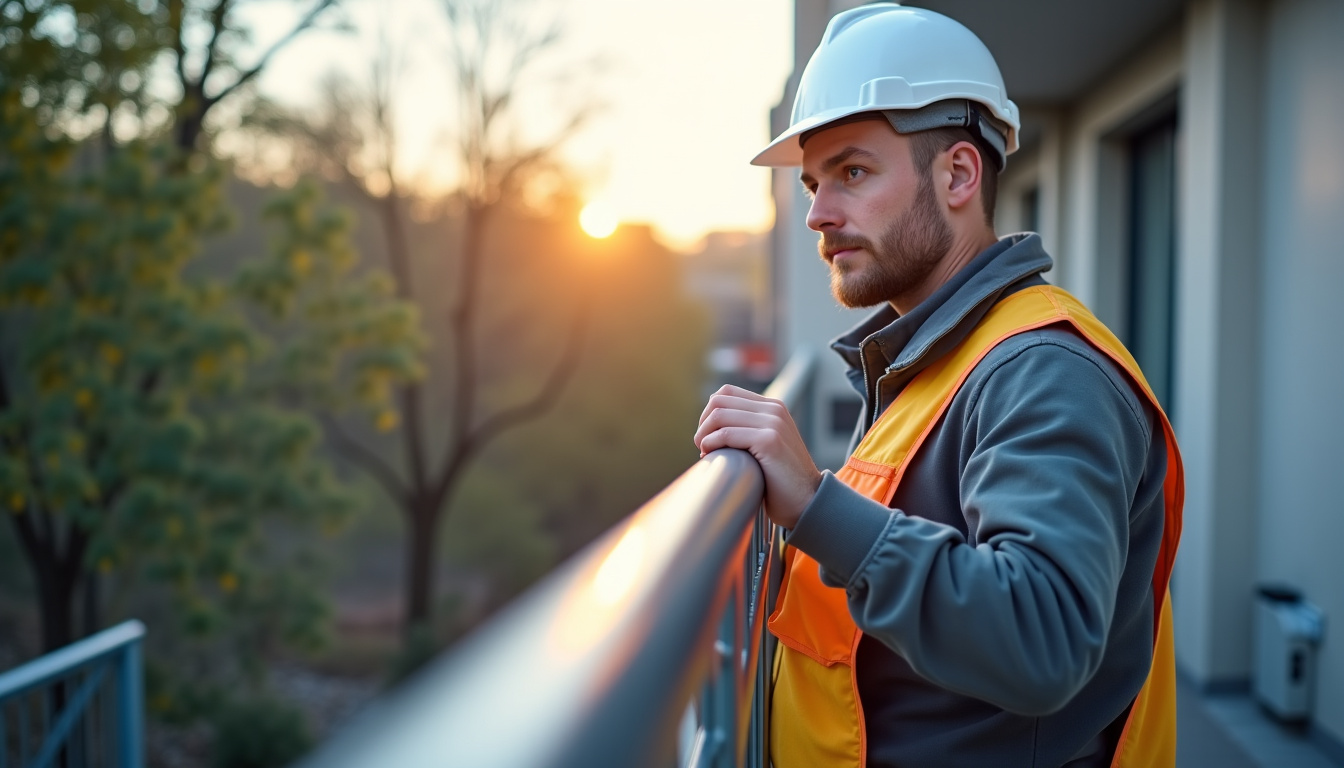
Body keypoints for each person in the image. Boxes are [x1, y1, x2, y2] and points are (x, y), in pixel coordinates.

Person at [691, 5, 1184, 767]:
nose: (818, 213)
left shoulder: (1041, 371)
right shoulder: (933, 362)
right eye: (815, 182)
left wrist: (818, 508)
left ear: (957, 174)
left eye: (852, 172)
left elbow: (1041, 637)